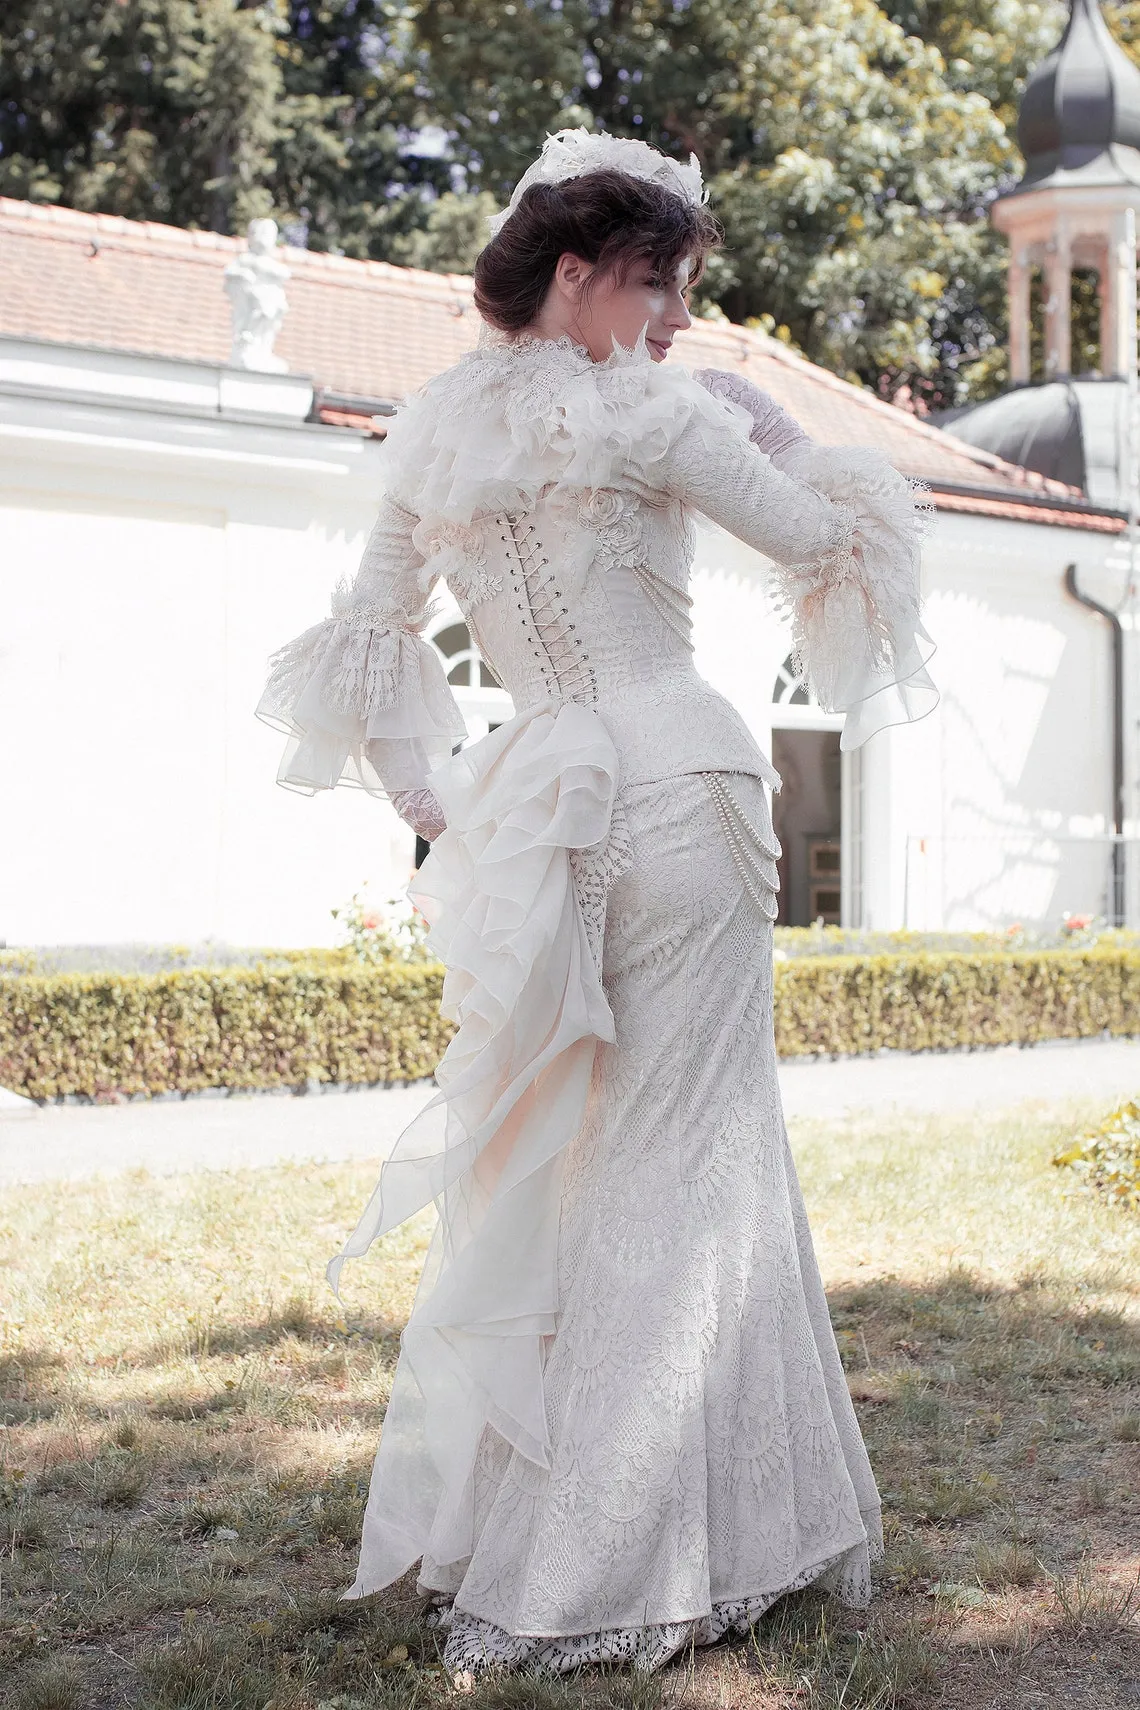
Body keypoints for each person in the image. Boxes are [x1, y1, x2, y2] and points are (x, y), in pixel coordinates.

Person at [255, 127, 938, 1680]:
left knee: (578, 1164)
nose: (682, 321)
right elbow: (843, 548)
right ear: (575, 277)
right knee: (693, 1157)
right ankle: (626, 1555)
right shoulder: (657, 413)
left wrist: (434, 803)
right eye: (661, 284)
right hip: (684, 799)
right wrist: (785, 432)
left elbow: (366, 654)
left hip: (548, 816)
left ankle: (602, 1530)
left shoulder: (429, 437)